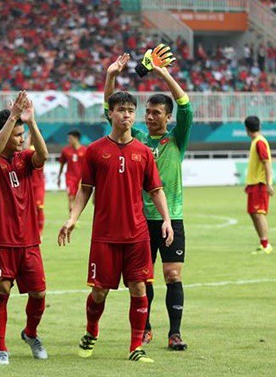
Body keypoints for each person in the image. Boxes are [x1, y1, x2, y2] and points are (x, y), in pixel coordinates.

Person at [58, 91, 174, 363]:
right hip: (105, 236)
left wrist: (167, 220)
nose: (127, 115)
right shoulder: (96, 150)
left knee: (139, 289)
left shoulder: (144, 152)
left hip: (136, 234)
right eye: (121, 109)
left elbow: (156, 190)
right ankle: (91, 332)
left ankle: (136, 347)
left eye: (131, 110)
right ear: (110, 113)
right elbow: (85, 189)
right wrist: (73, 218)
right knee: (99, 291)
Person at [104, 48, 192, 350]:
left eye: (157, 113)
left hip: (172, 218)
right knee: (141, 278)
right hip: (140, 219)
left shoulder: (177, 138)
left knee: (172, 274)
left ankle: (175, 333)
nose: (151, 117)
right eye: (148, 113)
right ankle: (146, 328)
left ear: (168, 117)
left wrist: (161, 72)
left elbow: (186, 105)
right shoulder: (138, 138)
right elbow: (109, 109)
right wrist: (111, 77)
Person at [0, 91, 50, 365]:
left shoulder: (26, 160)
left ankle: (31, 334)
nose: (22, 139)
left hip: (29, 241)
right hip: (1, 241)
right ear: (5, 134)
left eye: (23, 134)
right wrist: (13, 118)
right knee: (2, 291)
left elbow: (43, 154)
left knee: (39, 294)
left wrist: (30, 122)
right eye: (18, 134)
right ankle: (0, 348)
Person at [244, 116, 275, 254]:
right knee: (253, 213)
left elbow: (266, 163)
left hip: (260, 184)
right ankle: (263, 243)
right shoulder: (256, 141)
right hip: (253, 184)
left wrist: (268, 183)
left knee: (259, 213)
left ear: (247, 129)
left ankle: (266, 244)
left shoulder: (259, 142)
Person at [57, 130, 87, 216]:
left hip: (81, 178)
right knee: (71, 197)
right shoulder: (66, 150)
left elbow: (88, 166)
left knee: (79, 199)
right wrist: (59, 177)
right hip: (70, 178)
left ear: (76, 138)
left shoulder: (85, 150)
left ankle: (75, 216)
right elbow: (62, 164)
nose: (68, 140)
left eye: (70, 138)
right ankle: (71, 218)